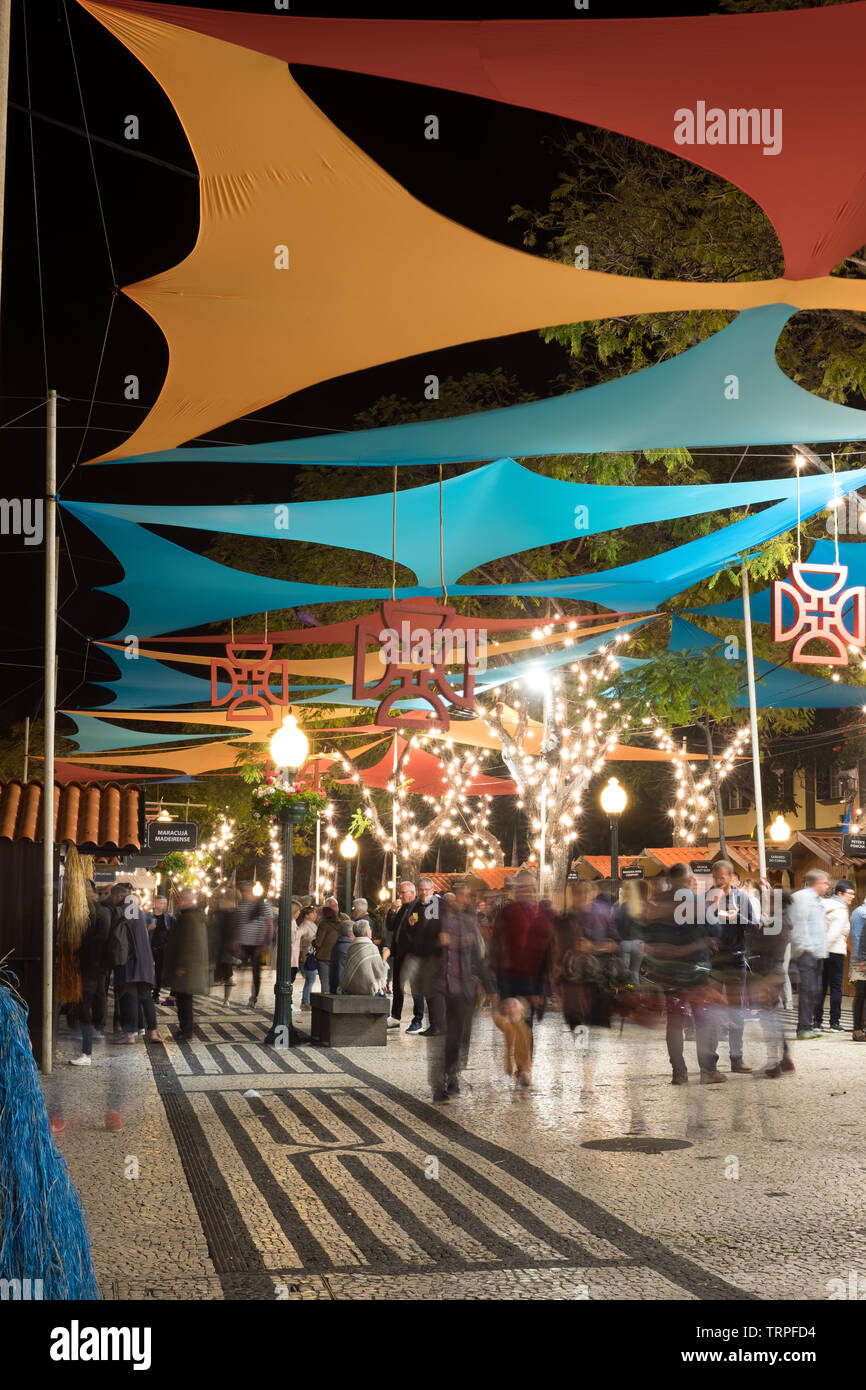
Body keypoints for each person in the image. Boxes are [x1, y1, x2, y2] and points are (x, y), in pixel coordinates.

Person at [642, 863, 723, 1084]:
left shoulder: (657, 902)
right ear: (688, 880)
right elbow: (716, 929)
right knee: (703, 1019)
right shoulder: (696, 901)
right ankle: (707, 1070)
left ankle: (679, 1072)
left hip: (667, 970)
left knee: (674, 1021)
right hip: (695, 969)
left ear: (670, 879)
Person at [427, 879, 496, 1102]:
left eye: (467, 896)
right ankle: (438, 1084)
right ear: (451, 897)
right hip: (438, 986)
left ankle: (452, 1074)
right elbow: (418, 944)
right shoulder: (435, 920)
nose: (464, 900)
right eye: (461, 896)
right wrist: (436, 943)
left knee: (457, 1036)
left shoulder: (468, 922)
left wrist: (489, 987)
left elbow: (477, 957)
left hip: (462, 987)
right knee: (441, 1033)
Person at [705, 859, 758, 1073]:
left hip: (736, 959)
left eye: (723, 876)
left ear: (731, 877)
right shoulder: (707, 899)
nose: (719, 880)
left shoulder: (742, 897)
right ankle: (710, 1060)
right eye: (716, 877)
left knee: (737, 1009)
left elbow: (754, 926)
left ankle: (737, 1058)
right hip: (713, 961)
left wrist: (739, 917)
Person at [489, 870, 552, 1035]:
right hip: (509, 981)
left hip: (530, 982)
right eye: (525, 887)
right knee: (511, 1028)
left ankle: (525, 1060)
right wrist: (494, 986)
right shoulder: (505, 913)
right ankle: (515, 1058)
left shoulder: (541, 914)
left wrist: (541, 989)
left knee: (526, 1028)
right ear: (517, 890)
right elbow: (495, 948)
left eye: (533, 888)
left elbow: (545, 952)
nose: (530, 892)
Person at [109, 883, 159, 1046]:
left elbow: (119, 938)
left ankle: (129, 1035)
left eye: (113, 896)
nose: (112, 899)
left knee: (128, 997)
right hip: (144, 961)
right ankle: (153, 1033)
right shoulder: (138, 909)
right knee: (145, 997)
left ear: (118, 896)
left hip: (130, 961)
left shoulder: (123, 910)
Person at [68, 886, 112, 1067]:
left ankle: (86, 1053)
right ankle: (86, 1050)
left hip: (92, 969)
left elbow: (99, 941)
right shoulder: (95, 913)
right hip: (91, 968)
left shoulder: (100, 914)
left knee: (84, 1007)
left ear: (93, 893)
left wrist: (81, 950)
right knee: (83, 1006)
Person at [162, 887, 210, 1041]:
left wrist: (182, 965)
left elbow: (191, 944)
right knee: (184, 1000)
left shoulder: (189, 918)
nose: (179, 901)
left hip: (186, 969)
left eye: (182, 899)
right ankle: (185, 1030)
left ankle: (186, 1031)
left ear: (189, 900)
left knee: (184, 1002)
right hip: (188, 968)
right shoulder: (191, 916)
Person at [789, 868, 831, 1040]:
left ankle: (808, 1024)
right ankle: (803, 1028)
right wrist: (805, 947)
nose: (828, 886)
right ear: (817, 883)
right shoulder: (802, 898)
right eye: (826, 883)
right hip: (807, 951)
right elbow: (798, 924)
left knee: (815, 990)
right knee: (807, 990)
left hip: (818, 951)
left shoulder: (817, 900)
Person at [384, 880, 425, 1032]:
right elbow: (391, 926)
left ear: (412, 893)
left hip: (412, 954)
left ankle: (418, 1020)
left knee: (416, 987)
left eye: (403, 893)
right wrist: (392, 912)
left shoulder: (417, 908)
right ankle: (395, 1016)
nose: (400, 895)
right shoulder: (404, 908)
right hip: (400, 952)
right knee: (397, 986)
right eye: (399, 893)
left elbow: (415, 930)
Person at [815, 879, 853, 1031]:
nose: (852, 897)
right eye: (849, 894)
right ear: (840, 893)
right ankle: (834, 1022)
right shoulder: (841, 909)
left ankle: (817, 1021)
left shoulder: (822, 905)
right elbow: (835, 933)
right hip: (835, 952)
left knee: (821, 987)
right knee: (836, 988)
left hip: (820, 951)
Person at [411, 877, 445, 1037]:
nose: (423, 893)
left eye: (426, 890)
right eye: (421, 890)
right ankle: (435, 1025)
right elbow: (413, 924)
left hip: (436, 956)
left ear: (432, 890)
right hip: (423, 956)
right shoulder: (418, 906)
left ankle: (439, 1026)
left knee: (435, 992)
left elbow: (440, 929)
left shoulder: (439, 906)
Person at [233, 882, 275, 1008]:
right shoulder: (241, 905)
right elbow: (238, 923)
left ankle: (254, 997)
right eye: (243, 891)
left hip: (258, 944)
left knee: (256, 972)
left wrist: (266, 943)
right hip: (243, 942)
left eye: (246, 891)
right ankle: (240, 994)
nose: (244, 894)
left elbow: (270, 924)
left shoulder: (264, 905)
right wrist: (236, 941)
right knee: (240, 967)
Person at [338, 918, 389, 995]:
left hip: (352, 988)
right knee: (383, 994)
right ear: (367, 933)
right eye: (369, 928)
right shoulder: (372, 948)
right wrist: (384, 958)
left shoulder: (351, 947)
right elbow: (380, 972)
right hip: (368, 990)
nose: (371, 930)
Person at [616, 880, 647, 987]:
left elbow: (619, 926)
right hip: (639, 944)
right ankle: (636, 992)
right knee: (635, 972)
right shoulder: (641, 906)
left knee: (624, 972)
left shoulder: (622, 906)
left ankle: (626, 993)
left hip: (625, 942)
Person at [148, 895, 175, 1004]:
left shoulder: (169, 917)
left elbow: (173, 932)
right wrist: (147, 928)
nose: (163, 905)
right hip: (149, 947)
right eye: (160, 903)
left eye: (164, 903)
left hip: (162, 948)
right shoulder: (147, 916)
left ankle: (156, 994)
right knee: (148, 970)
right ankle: (147, 992)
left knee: (159, 972)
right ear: (155, 903)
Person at [312, 897, 341, 994]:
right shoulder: (342, 922)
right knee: (335, 982)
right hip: (337, 956)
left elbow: (318, 942)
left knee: (325, 983)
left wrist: (313, 942)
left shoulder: (323, 924)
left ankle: (325, 1004)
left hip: (324, 957)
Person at [292, 903, 318, 1008]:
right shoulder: (305, 925)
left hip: (310, 954)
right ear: (306, 915)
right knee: (310, 979)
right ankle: (305, 1001)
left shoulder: (311, 925)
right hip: (307, 955)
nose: (315, 915)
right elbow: (297, 936)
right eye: (313, 913)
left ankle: (306, 1001)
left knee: (310, 979)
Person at [850, 889, 866, 1041]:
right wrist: (862, 959)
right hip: (863, 960)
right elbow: (862, 939)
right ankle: (857, 1029)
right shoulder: (860, 912)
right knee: (861, 994)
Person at [331, 915, 355, 993]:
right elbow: (341, 971)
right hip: (342, 990)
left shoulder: (338, 944)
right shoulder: (347, 947)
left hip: (335, 986)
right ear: (351, 934)